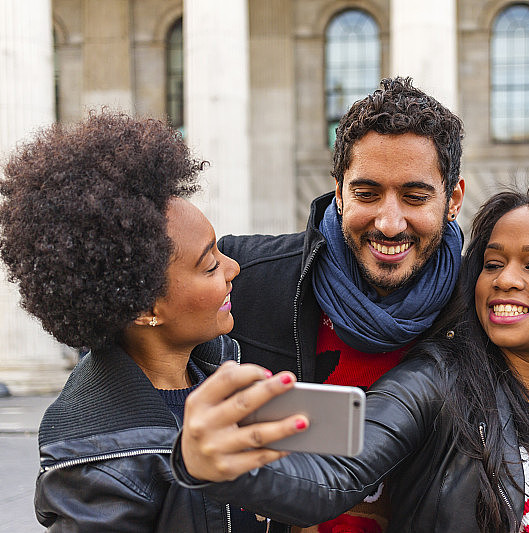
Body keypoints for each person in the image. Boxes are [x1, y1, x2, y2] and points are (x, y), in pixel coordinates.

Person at [174, 185, 529, 533]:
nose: (506, 279)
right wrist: (215, 464)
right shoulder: (435, 379)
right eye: (493, 263)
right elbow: (333, 475)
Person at [0, 112, 305, 532]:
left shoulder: (216, 368)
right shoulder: (96, 465)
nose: (234, 268)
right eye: (210, 265)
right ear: (146, 310)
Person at [204, 76, 465, 532]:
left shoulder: (481, 312)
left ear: (453, 200)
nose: (388, 222)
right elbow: (127, 361)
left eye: (416, 197)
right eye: (366, 194)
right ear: (339, 193)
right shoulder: (242, 277)